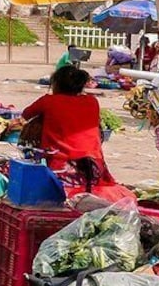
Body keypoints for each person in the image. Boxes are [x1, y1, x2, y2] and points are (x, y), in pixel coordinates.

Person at [21, 65, 134, 202]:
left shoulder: (49, 101)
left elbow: (26, 114)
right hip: (94, 166)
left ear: (56, 84)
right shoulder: (92, 101)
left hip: (62, 166)